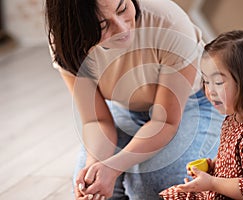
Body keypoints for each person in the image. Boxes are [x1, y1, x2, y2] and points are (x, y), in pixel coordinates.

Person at [45, 0, 224, 199]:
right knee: (91, 191)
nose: (122, 28)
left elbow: (164, 121)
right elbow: (96, 120)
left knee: (152, 187)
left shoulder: (169, 23)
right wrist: (95, 166)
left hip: (195, 102)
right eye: (103, 25)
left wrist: (113, 167)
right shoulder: (65, 43)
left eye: (122, 9)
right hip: (127, 107)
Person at [159, 30, 243, 199]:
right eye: (206, 82)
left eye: (218, 82)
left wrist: (212, 183)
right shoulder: (236, 116)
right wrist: (211, 165)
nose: (210, 91)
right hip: (223, 189)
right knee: (172, 195)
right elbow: (233, 158)